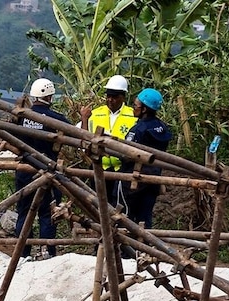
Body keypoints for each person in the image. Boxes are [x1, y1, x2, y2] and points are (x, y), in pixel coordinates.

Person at [15, 78, 70, 257]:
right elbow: (75, 133)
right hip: (47, 171)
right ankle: (48, 253)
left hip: (24, 171)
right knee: (47, 214)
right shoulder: (56, 119)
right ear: (50, 96)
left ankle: (22, 254)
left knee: (24, 213)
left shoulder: (22, 116)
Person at [83, 75, 137, 210]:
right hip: (98, 167)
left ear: (123, 97)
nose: (110, 100)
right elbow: (83, 137)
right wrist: (84, 118)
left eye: (114, 96)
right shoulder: (95, 114)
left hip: (122, 169)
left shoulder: (133, 116)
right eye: (108, 96)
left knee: (119, 206)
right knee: (98, 205)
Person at [123, 88, 173, 229]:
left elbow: (127, 154)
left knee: (128, 218)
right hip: (153, 179)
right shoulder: (162, 128)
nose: (133, 108)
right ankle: (144, 249)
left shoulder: (138, 130)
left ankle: (130, 251)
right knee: (145, 218)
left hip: (133, 181)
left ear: (144, 109)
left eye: (135, 106)